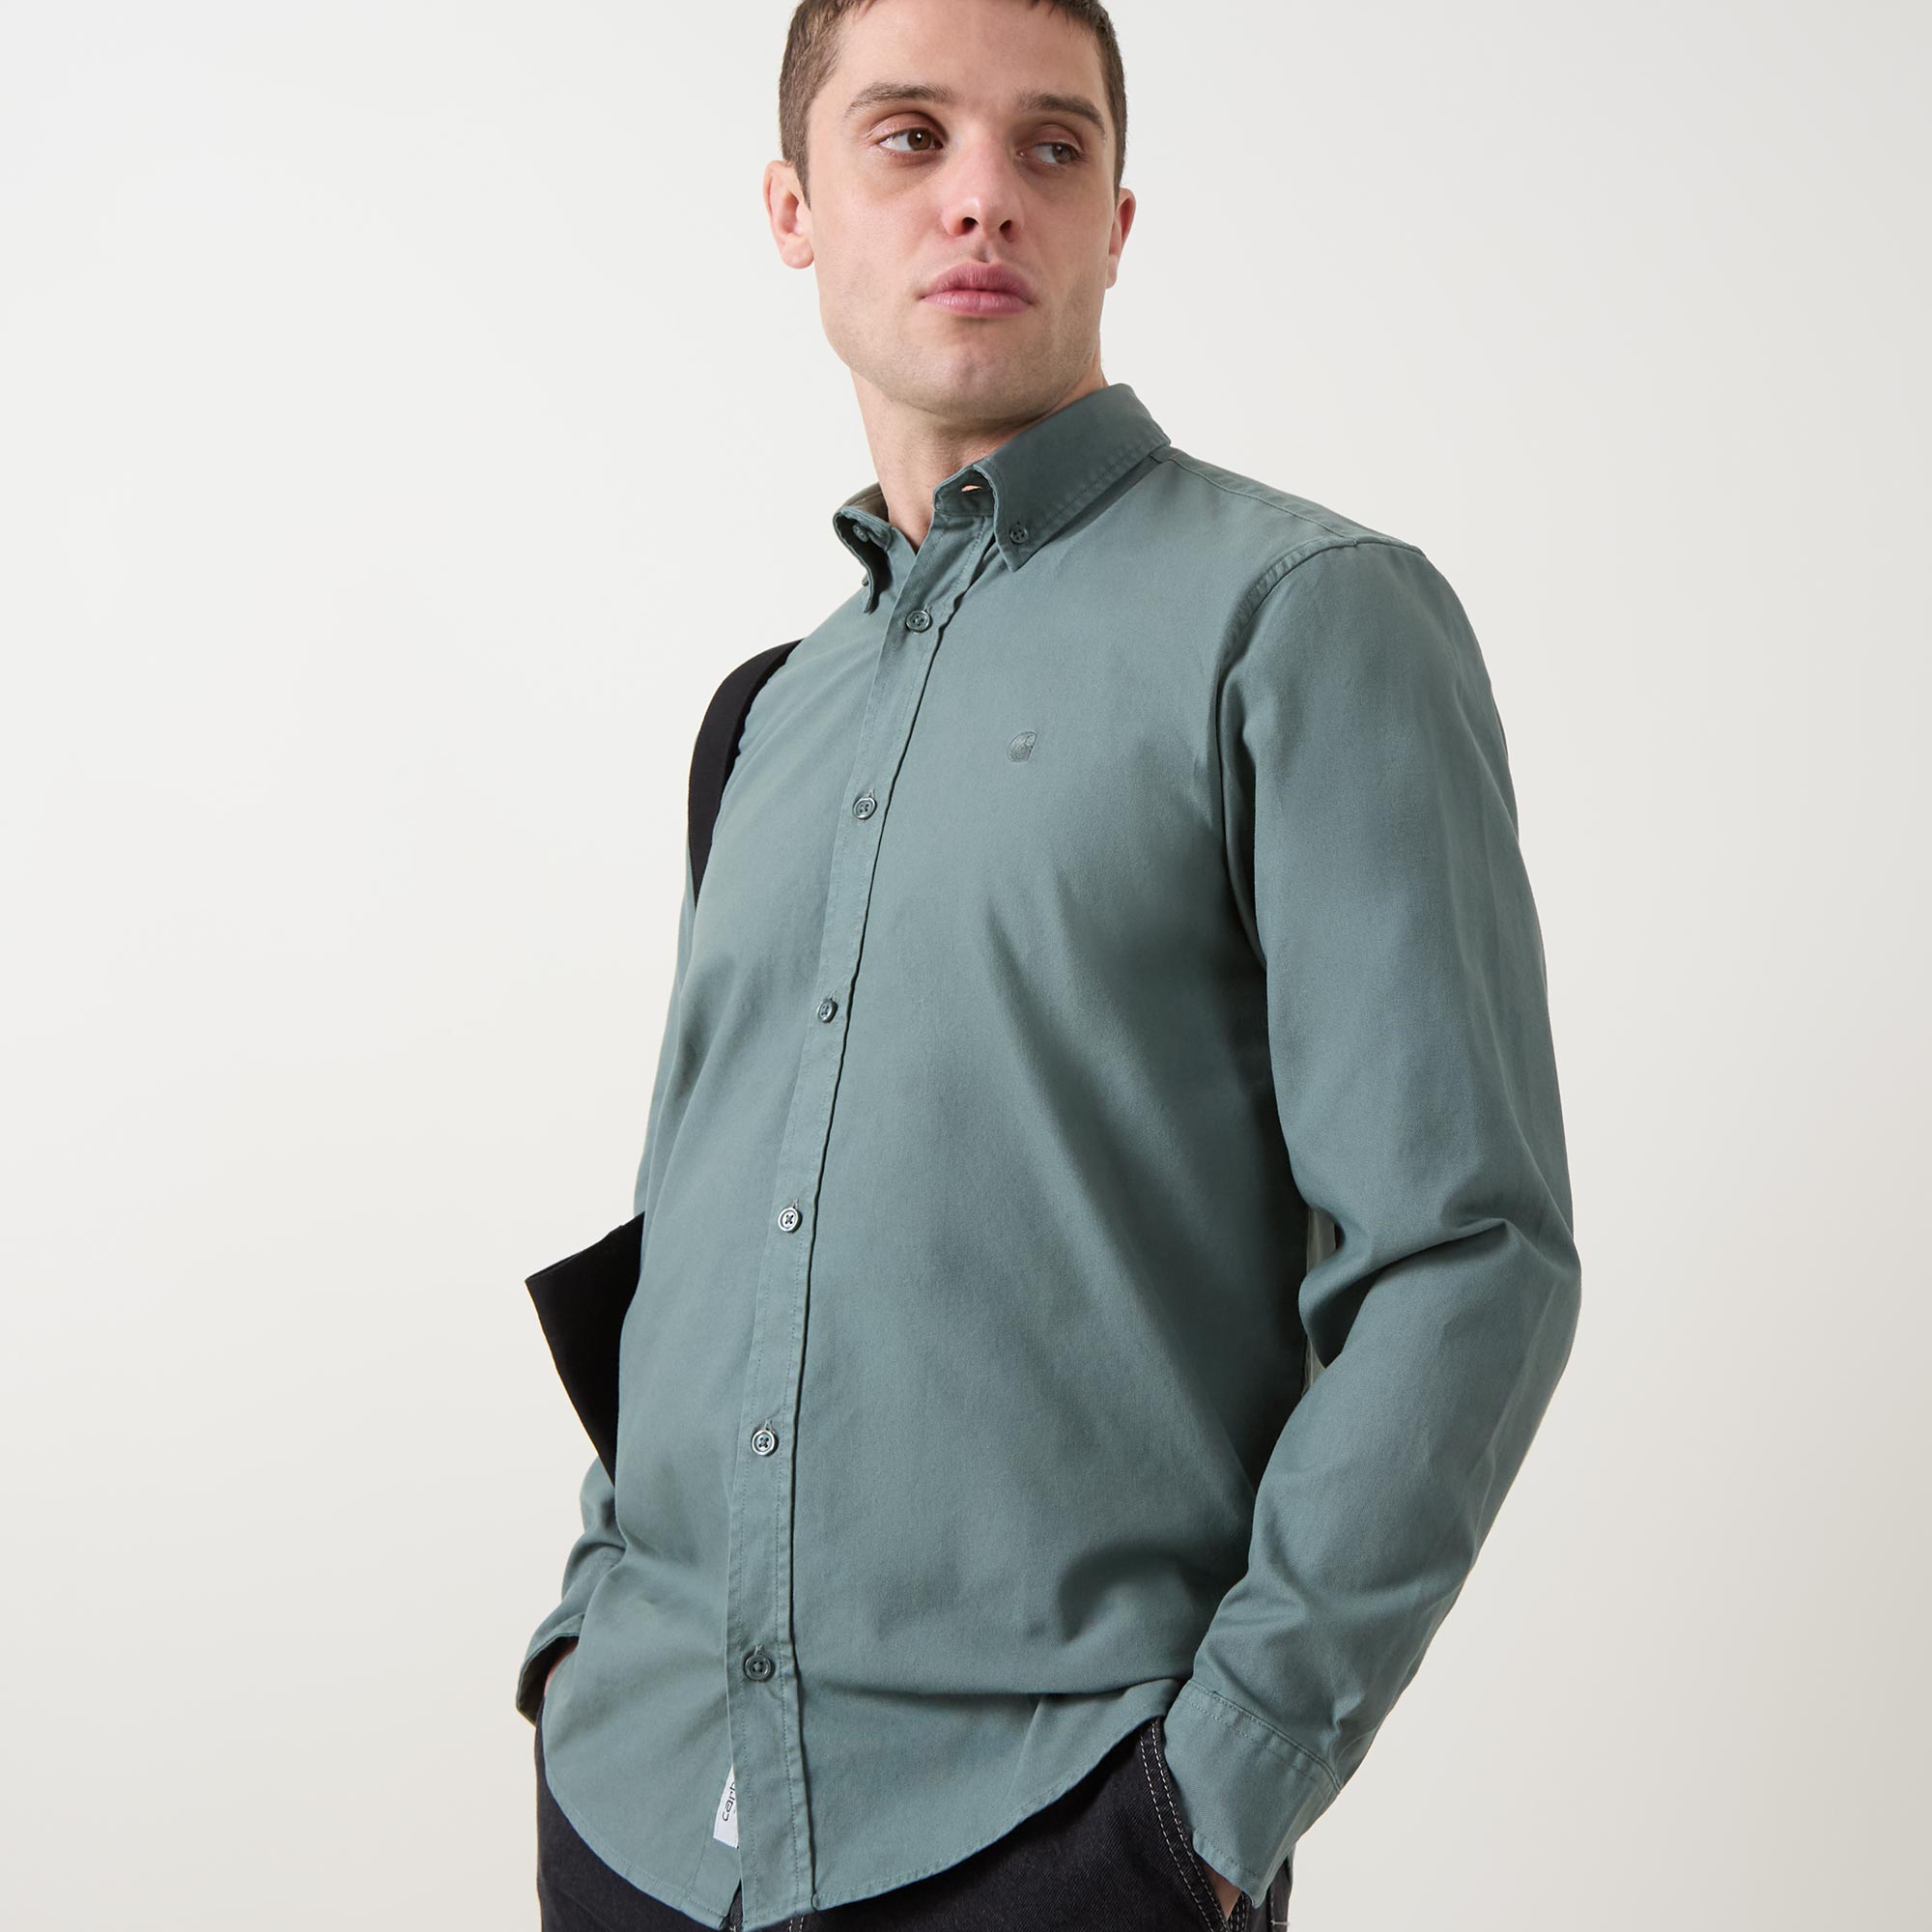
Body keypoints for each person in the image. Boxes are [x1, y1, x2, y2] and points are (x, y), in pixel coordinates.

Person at [518, 2, 1582, 1927]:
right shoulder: (761, 720)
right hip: (646, 1814)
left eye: (1052, 146)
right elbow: (698, 1239)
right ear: (793, 205)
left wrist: (1214, 1798)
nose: (983, 198)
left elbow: (1465, 1255)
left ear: (1116, 219)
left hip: (1058, 1839)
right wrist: (584, 1635)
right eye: (908, 135)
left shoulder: (1302, 620)